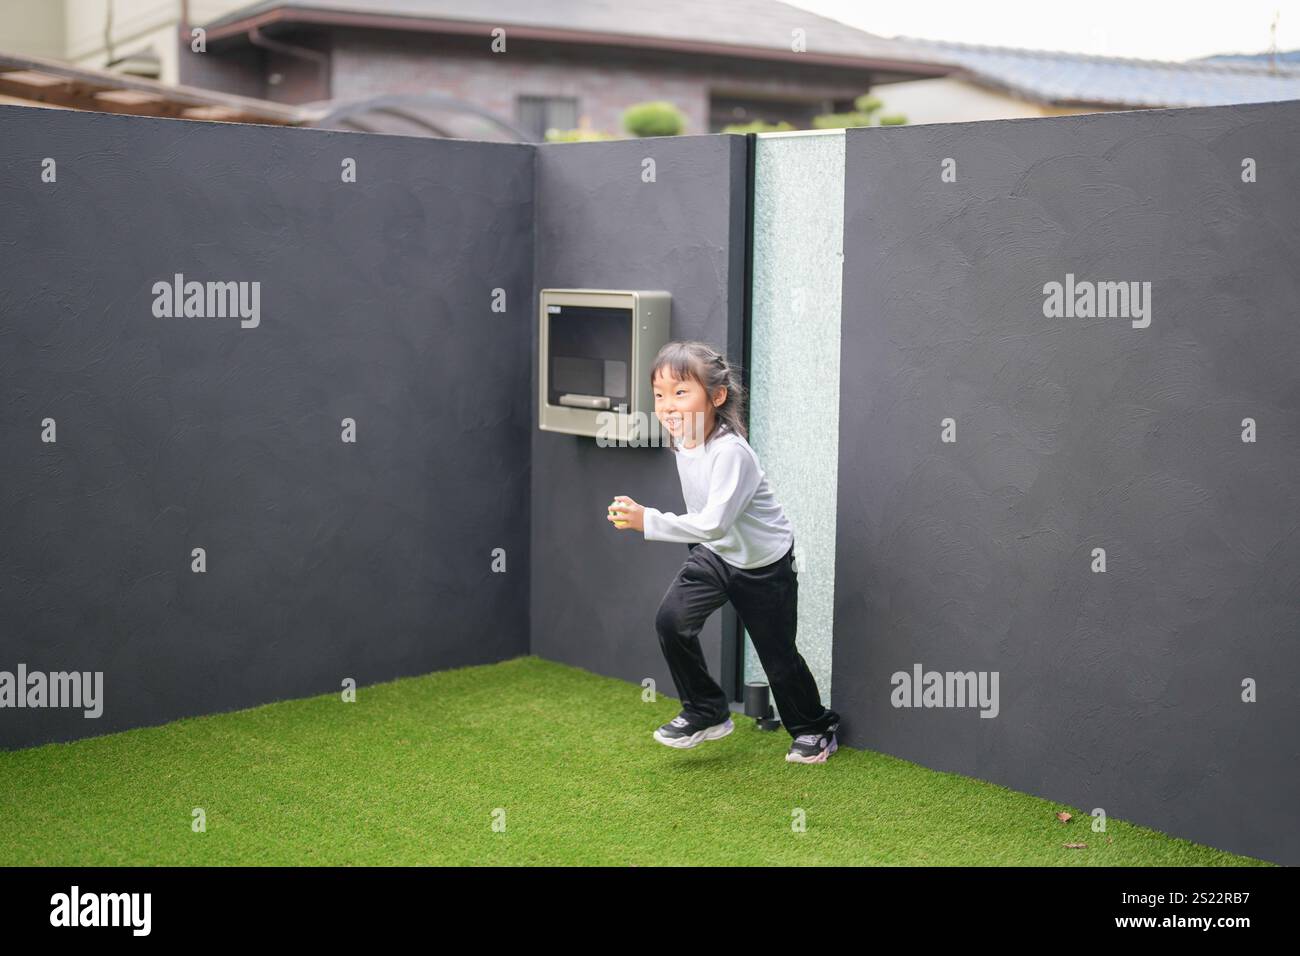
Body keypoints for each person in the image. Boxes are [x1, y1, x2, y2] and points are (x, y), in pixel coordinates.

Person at [607, 340, 841, 763]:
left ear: (716, 396)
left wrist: (649, 520)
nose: (668, 406)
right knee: (672, 621)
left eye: (681, 392)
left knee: (778, 656)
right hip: (716, 554)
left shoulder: (731, 452)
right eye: (659, 395)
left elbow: (715, 520)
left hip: (762, 564)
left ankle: (815, 728)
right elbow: (712, 530)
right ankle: (707, 710)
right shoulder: (684, 440)